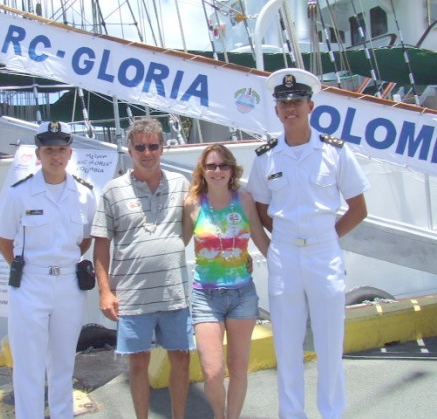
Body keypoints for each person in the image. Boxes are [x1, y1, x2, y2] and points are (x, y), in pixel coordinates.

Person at [247, 68, 370, 419]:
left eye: (297, 101)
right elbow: (260, 208)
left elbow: (358, 209)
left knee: (330, 343)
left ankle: (331, 413)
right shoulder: (265, 156)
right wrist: (285, 239)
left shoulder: (335, 152)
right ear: (276, 110)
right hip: (285, 254)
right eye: (284, 103)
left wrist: (324, 236)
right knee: (286, 344)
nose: (291, 108)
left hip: (323, 253)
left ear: (310, 105)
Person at [91, 117, 194, 419]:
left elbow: (192, 227)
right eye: (140, 147)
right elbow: (101, 245)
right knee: (137, 364)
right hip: (133, 295)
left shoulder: (180, 184)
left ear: (163, 147)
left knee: (182, 358)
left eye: (153, 146)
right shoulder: (112, 191)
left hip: (174, 291)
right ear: (129, 149)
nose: (147, 152)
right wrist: (105, 292)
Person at [0, 121, 96, 419]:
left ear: (70, 153)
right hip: (30, 285)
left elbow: (86, 239)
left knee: (64, 363)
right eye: (49, 150)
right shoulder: (20, 194)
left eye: (61, 150)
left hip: (68, 285)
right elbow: (5, 242)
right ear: (38, 154)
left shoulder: (84, 194)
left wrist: (61, 264)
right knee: (29, 365)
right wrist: (30, 273)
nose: (56, 156)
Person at [182, 144, 270, 419]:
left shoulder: (244, 200)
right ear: (202, 170)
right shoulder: (193, 204)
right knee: (212, 372)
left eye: (223, 165)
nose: (217, 171)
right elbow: (177, 243)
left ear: (232, 169)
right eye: (211, 166)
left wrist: (292, 268)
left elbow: (261, 239)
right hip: (205, 297)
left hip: (242, 294)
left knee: (238, 367)